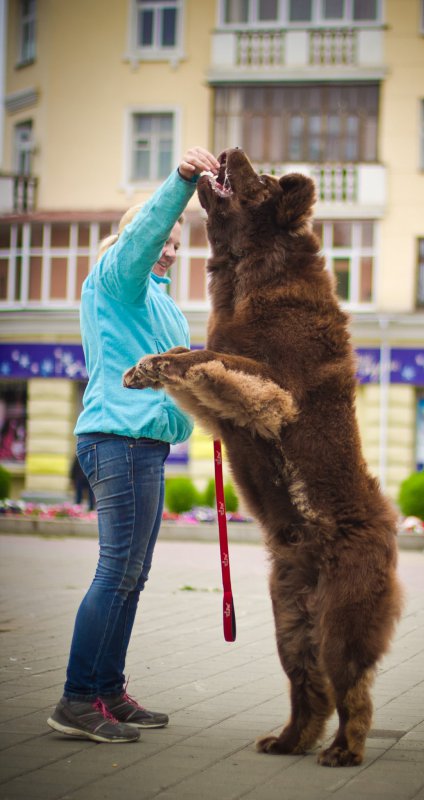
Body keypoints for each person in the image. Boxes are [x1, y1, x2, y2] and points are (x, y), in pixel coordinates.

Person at [47, 146, 220, 744]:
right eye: (162, 239)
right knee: (116, 569)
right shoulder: (118, 278)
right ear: (138, 238)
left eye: (178, 241)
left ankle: (108, 691)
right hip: (116, 440)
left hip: (145, 445)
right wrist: (179, 184)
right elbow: (143, 237)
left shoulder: (162, 303)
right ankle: (76, 698)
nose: (169, 248)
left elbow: (181, 372)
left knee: (133, 574)